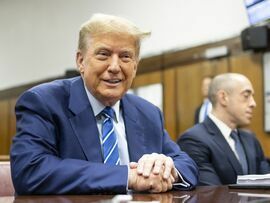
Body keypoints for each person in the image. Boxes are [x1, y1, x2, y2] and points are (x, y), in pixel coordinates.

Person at [10, 13, 198, 195]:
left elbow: (186, 165)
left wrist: (165, 169)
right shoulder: (44, 102)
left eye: (125, 56)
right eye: (103, 54)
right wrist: (127, 177)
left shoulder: (147, 112)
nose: (115, 67)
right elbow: (30, 171)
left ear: (135, 66)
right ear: (80, 61)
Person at [177, 73, 270, 185]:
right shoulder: (193, 140)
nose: (253, 103)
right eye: (246, 96)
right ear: (223, 98)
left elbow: (266, 184)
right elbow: (212, 193)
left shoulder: (250, 139)